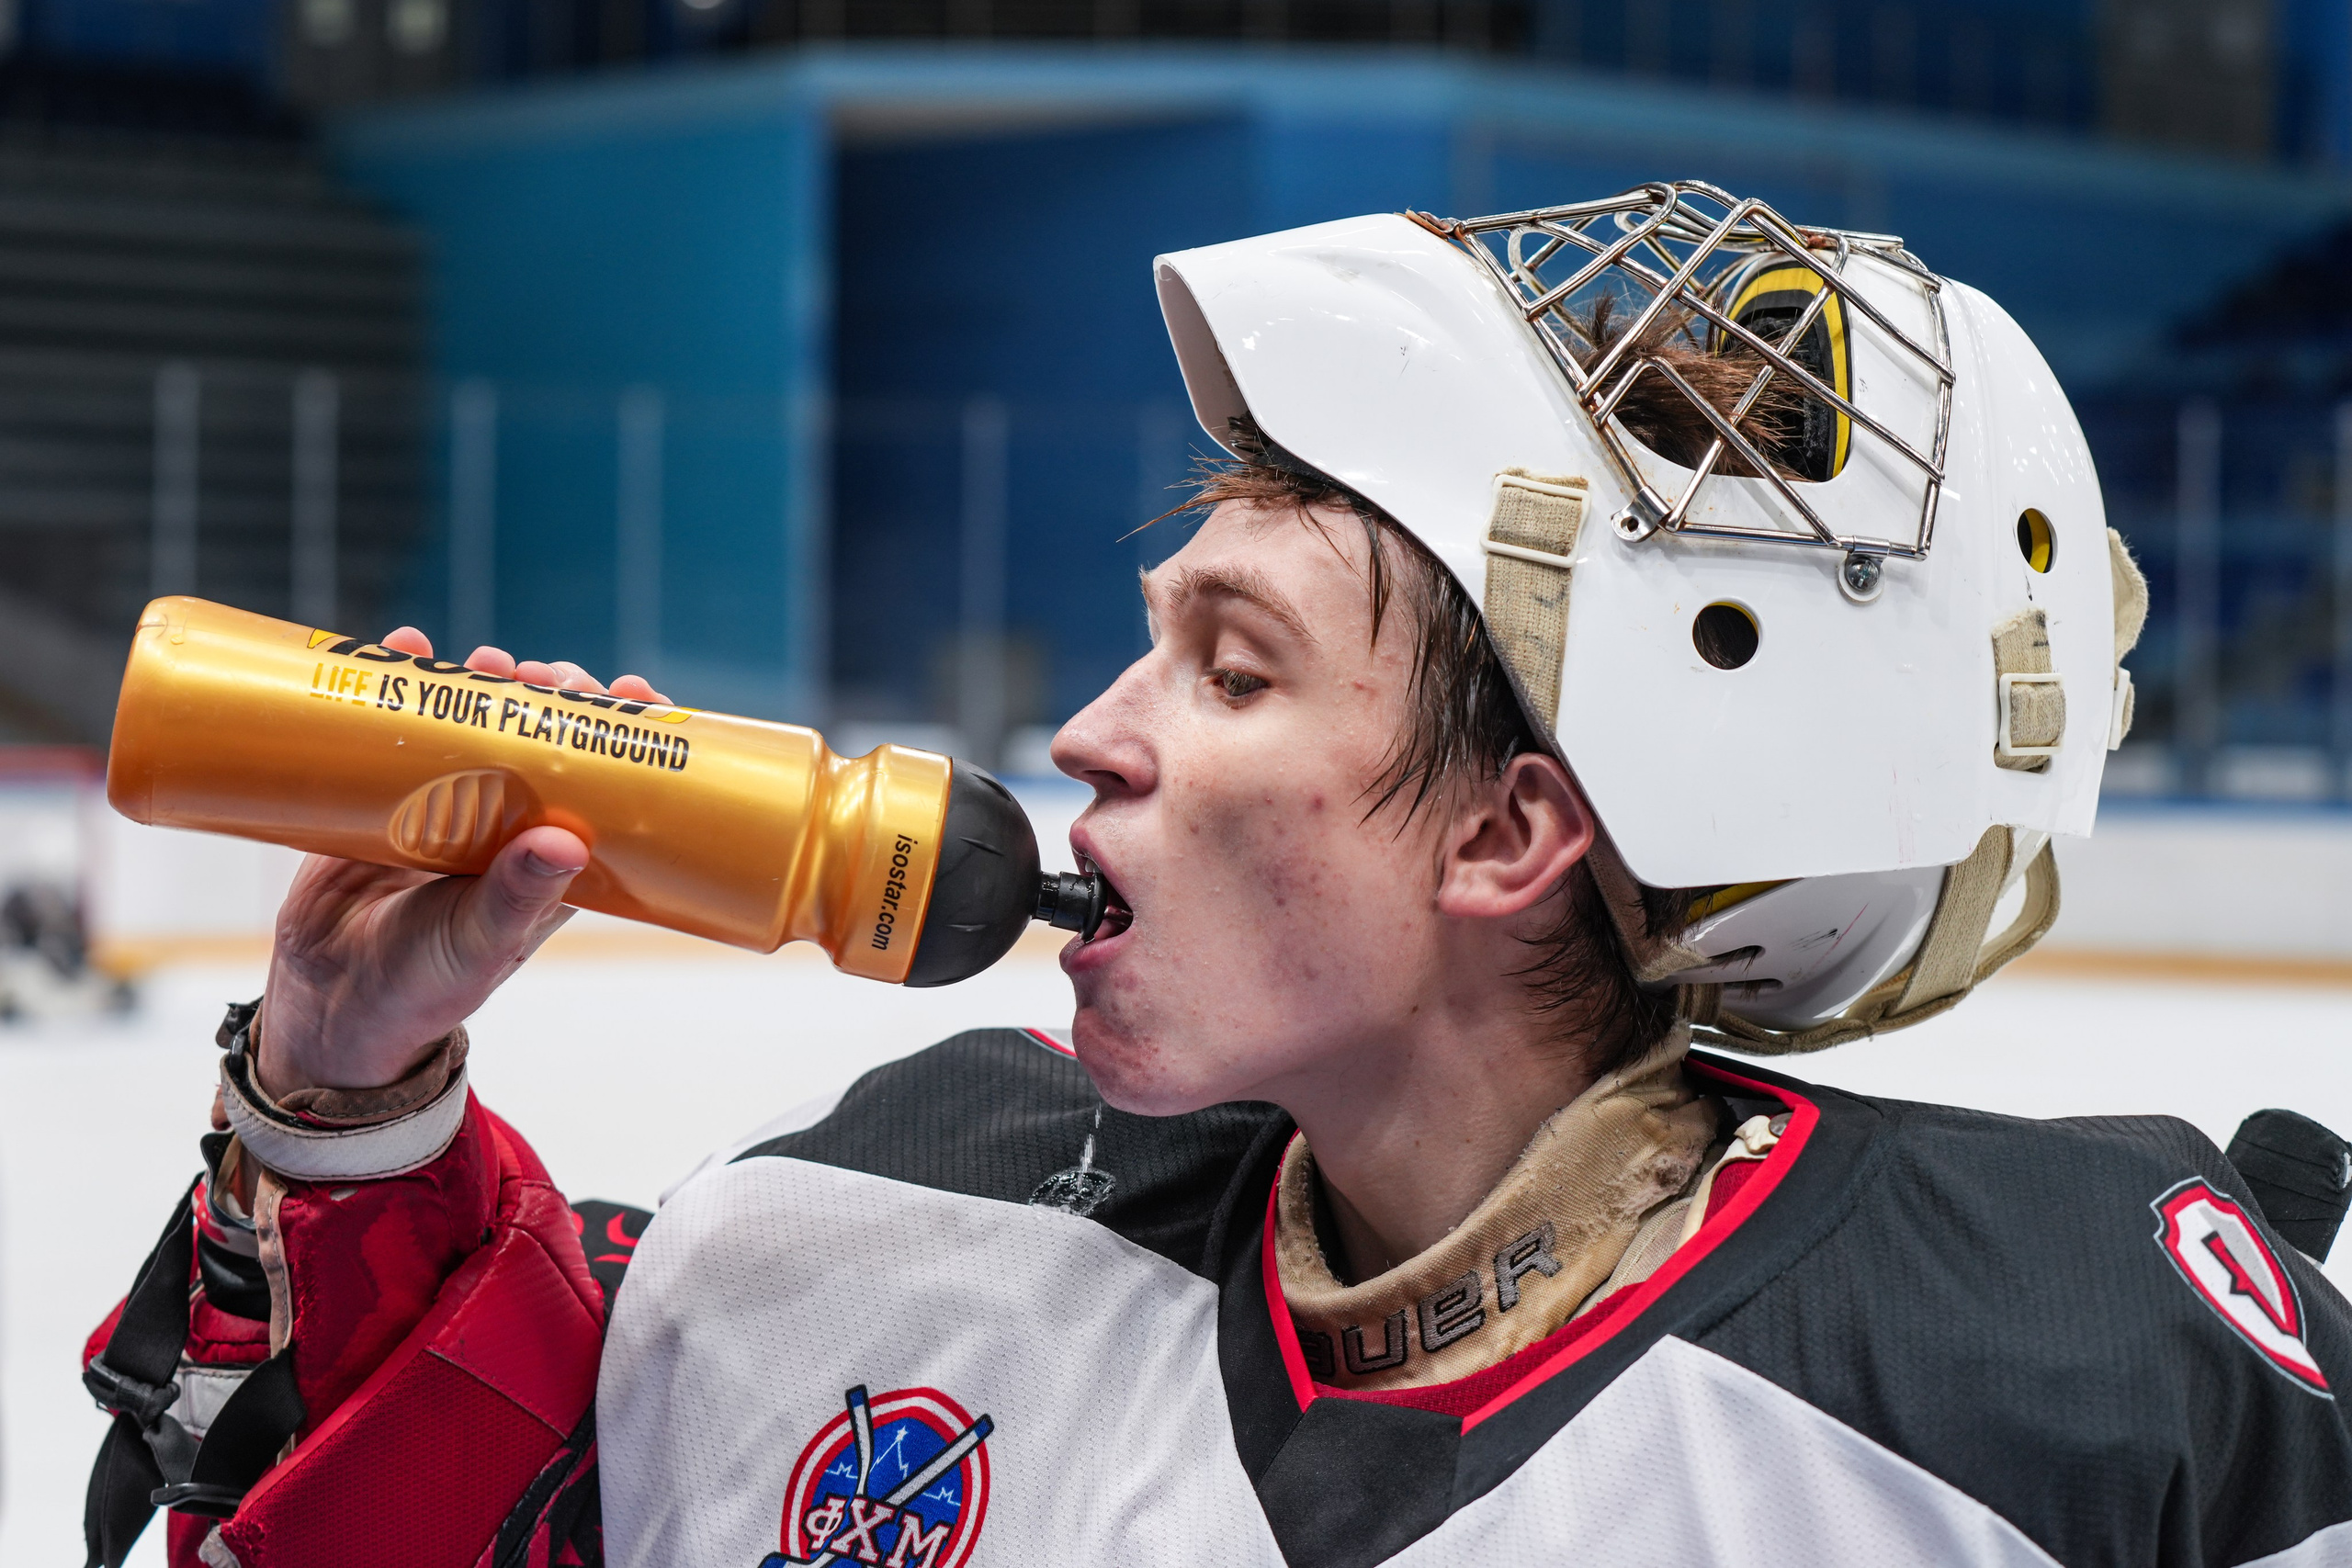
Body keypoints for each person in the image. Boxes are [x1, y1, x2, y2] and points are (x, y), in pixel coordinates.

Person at [84, 183, 2352, 1568]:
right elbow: (424, 1509)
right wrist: (340, 1099)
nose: (1089, 732)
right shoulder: (894, 1213)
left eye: (1229, 665)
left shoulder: (2074, 1383)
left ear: (1510, 828)